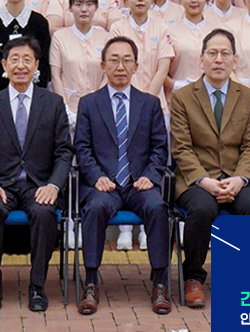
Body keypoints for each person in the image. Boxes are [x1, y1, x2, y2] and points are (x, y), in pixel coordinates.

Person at [74, 36, 173, 315]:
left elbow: (159, 147)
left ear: (136, 66)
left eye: (127, 60)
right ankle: (90, 282)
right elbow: (82, 148)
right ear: (103, 65)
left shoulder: (149, 103)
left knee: (157, 206)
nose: (120, 66)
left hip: (139, 183)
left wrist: (151, 176)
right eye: (114, 60)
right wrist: (96, 177)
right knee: (95, 208)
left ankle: (160, 283)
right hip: (104, 184)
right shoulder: (89, 103)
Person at [0, 36, 74, 312]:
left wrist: (54, 185)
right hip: (1, 184)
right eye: (14, 60)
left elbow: (64, 152)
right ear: (4, 65)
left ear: (37, 65)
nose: (20, 66)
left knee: (44, 213)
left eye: (27, 60)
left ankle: (37, 286)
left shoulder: (53, 103)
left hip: (38, 184)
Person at [172, 29, 250, 309]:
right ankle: (193, 277)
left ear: (235, 60)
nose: (218, 59)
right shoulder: (183, 97)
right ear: (201, 59)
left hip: (237, 177)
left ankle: (243, 274)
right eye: (212, 53)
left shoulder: (247, 97)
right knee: (202, 209)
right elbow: (181, 148)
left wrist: (240, 178)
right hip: (197, 179)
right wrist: (204, 180)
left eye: (225, 54)